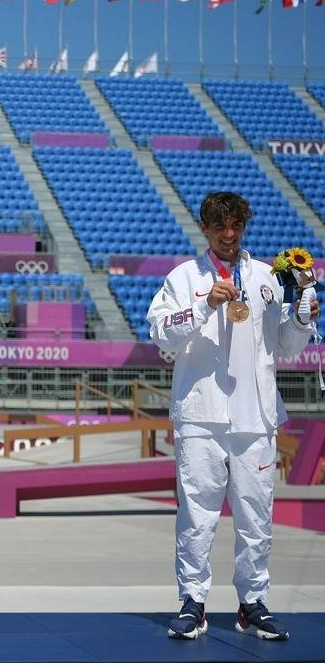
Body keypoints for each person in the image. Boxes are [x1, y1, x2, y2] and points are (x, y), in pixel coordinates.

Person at [147, 191, 318, 641]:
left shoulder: (267, 276)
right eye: (220, 226)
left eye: (236, 226)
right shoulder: (184, 277)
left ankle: (252, 603)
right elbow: (161, 334)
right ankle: (192, 602)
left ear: (243, 227)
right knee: (196, 514)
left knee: (256, 515)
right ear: (204, 228)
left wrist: (302, 319)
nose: (228, 234)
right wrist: (206, 304)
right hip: (201, 414)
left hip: (255, 414)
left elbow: (284, 345)